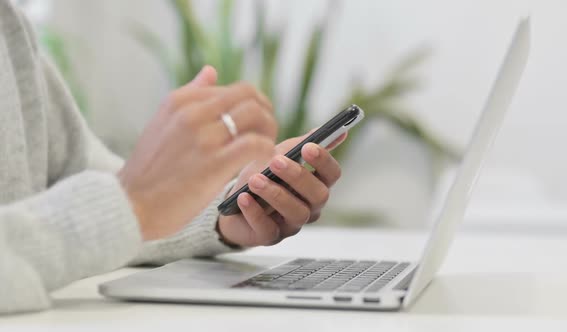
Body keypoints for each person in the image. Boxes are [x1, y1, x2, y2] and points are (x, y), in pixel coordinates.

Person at [0, 0, 346, 314]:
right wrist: (132, 206)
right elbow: (119, 206)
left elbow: (90, 188)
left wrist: (224, 216)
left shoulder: (10, 26)